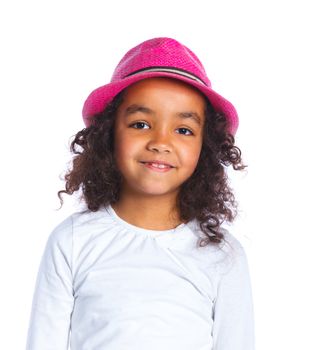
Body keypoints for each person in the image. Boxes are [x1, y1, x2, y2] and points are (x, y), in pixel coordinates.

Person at [26, 37, 255, 350]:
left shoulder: (222, 255)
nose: (161, 142)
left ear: (206, 147)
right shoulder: (72, 241)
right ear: (109, 134)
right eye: (141, 124)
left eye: (184, 130)